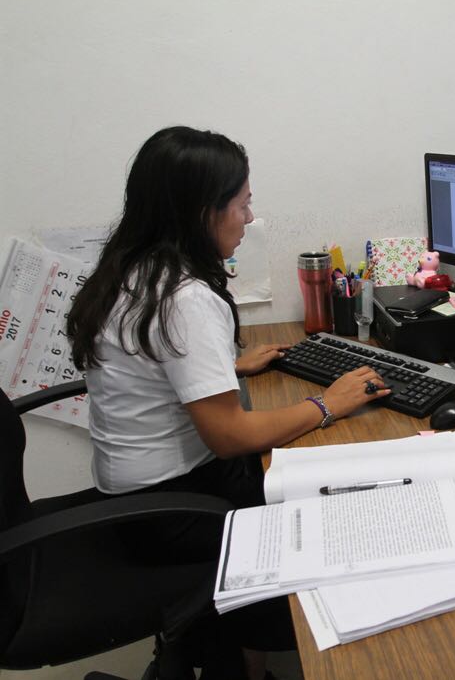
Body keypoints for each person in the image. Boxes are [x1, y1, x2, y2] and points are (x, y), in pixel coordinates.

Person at [67, 126, 391, 680]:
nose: (248, 218)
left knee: (297, 476)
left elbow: (150, 363)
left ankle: (236, 660)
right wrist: (328, 404)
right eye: (241, 204)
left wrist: (224, 368)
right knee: (331, 512)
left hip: (130, 498)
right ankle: (248, 664)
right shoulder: (185, 298)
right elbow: (228, 436)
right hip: (170, 510)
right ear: (201, 212)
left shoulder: (132, 267)